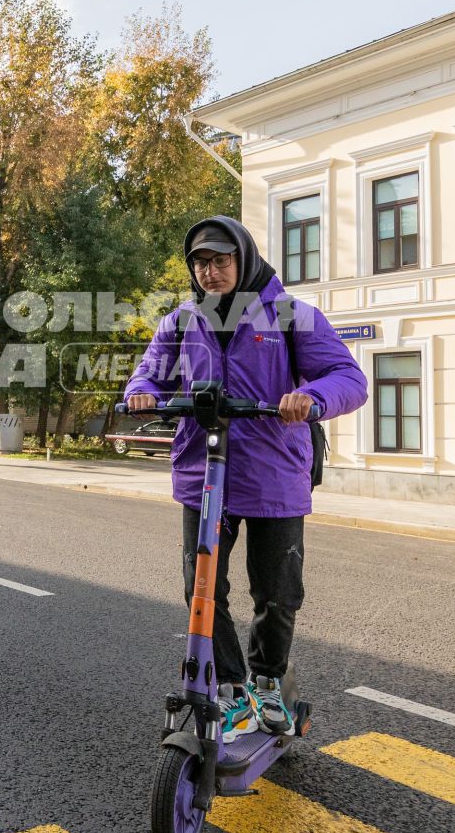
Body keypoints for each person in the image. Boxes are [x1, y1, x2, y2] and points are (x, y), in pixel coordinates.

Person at [122, 215, 366, 739]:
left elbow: (349, 378)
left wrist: (312, 398)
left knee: (277, 592)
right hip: (204, 470)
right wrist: (142, 392)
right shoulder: (181, 322)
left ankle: (269, 681)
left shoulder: (291, 316)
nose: (210, 272)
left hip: (273, 474)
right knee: (202, 589)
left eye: (220, 260)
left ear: (244, 258)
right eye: (201, 263)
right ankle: (231, 688)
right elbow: (148, 372)